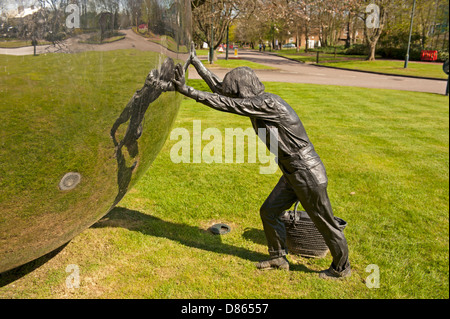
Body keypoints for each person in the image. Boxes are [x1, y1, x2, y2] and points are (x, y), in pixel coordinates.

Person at [173, 48, 351, 279]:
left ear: (242, 88)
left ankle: (341, 268)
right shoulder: (256, 102)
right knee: (269, 211)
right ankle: (278, 256)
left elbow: (225, 103)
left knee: (324, 221)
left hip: (305, 171)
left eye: (234, 89)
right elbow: (220, 91)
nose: (232, 94)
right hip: (293, 172)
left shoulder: (267, 103)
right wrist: (197, 63)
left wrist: (187, 90)